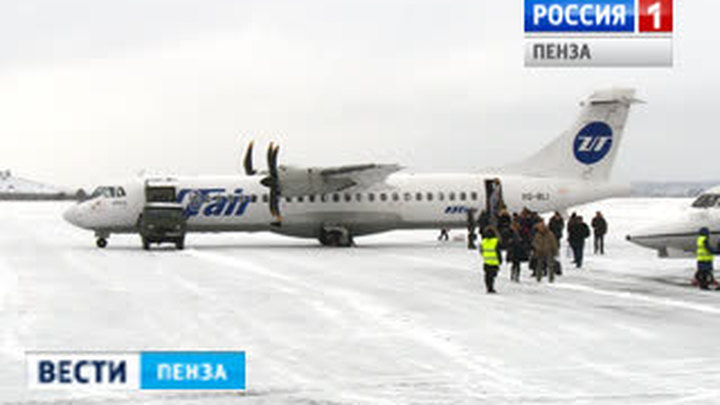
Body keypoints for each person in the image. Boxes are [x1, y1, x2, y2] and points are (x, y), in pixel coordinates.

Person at [480, 228, 502, 294]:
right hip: (494, 261)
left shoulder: (483, 242)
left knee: (487, 275)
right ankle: (491, 287)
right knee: (492, 275)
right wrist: (500, 259)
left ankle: (488, 287)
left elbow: (481, 251)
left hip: (486, 261)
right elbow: (498, 251)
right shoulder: (495, 241)